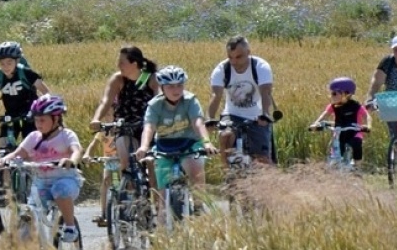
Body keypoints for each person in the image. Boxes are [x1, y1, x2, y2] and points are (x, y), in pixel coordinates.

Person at [0, 94, 83, 242]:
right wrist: (5, 159)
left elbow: (77, 150)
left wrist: (71, 160)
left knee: (59, 190)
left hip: (66, 180)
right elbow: (19, 153)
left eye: (42, 120)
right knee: (29, 214)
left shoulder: (66, 135)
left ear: (56, 119)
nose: (38, 124)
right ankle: (26, 248)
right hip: (41, 183)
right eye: (36, 120)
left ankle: (70, 226)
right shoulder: (34, 137)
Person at [88, 46, 158, 225]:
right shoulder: (118, 79)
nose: (119, 65)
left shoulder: (149, 79)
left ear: (134, 64)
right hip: (124, 126)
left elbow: (159, 100)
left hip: (146, 126)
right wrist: (96, 119)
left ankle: (157, 205)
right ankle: (129, 193)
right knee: (125, 158)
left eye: (122, 62)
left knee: (150, 163)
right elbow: (106, 101)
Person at [135, 66, 214, 197]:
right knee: (163, 195)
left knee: (195, 168)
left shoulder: (190, 100)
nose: (176, 90)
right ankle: (163, 214)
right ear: (162, 87)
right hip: (164, 146)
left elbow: (198, 123)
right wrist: (143, 146)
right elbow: (149, 127)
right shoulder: (154, 105)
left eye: (179, 85)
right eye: (170, 86)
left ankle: (200, 206)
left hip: (190, 144)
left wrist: (206, 142)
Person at [207, 35, 278, 164]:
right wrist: (211, 118)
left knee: (262, 159)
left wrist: (265, 114)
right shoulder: (222, 69)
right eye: (230, 57)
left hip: (257, 115)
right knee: (225, 136)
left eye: (238, 57)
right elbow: (216, 95)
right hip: (232, 114)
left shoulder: (260, 67)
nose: (234, 62)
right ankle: (227, 174)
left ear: (248, 53)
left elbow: (265, 93)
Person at [0, 41, 48, 133]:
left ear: (17, 60)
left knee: (30, 141)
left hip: (31, 113)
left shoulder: (26, 73)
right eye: (2, 63)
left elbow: (46, 93)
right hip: (10, 115)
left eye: (9, 62)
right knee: (3, 142)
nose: (5, 67)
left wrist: (42, 109)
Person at [308, 77, 369, 163]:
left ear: (346, 94)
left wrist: (367, 126)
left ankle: (357, 166)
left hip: (354, 131)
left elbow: (366, 116)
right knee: (336, 149)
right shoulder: (333, 106)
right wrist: (316, 123)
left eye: (334, 93)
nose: (331, 96)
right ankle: (335, 165)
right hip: (339, 131)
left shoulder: (356, 106)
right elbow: (325, 114)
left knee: (356, 143)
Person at [362, 34, 397, 140]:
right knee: (395, 135)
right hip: (392, 101)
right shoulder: (388, 62)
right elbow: (376, 83)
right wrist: (370, 98)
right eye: (396, 49)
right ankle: (396, 150)